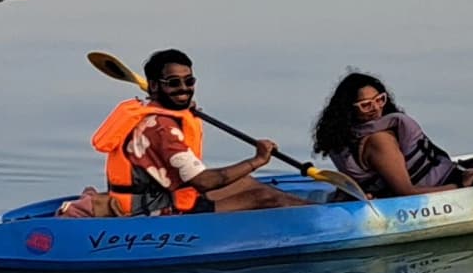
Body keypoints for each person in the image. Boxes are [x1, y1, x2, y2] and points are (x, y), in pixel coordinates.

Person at [59, 49, 304, 218]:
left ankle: (314, 210)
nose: (184, 89)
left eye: (189, 81)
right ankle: (322, 221)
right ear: (154, 86)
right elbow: (204, 182)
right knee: (265, 197)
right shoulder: (162, 128)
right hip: (152, 210)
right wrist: (257, 160)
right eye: (174, 83)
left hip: (156, 195)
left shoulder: (150, 110)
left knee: (246, 183)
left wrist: (179, 106)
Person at [308, 71, 473, 199]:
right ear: (349, 110)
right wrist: (462, 186)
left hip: (447, 172)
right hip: (445, 184)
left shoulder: (348, 134)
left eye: (380, 100)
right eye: (366, 105)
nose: (376, 108)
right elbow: (407, 192)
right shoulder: (379, 141)